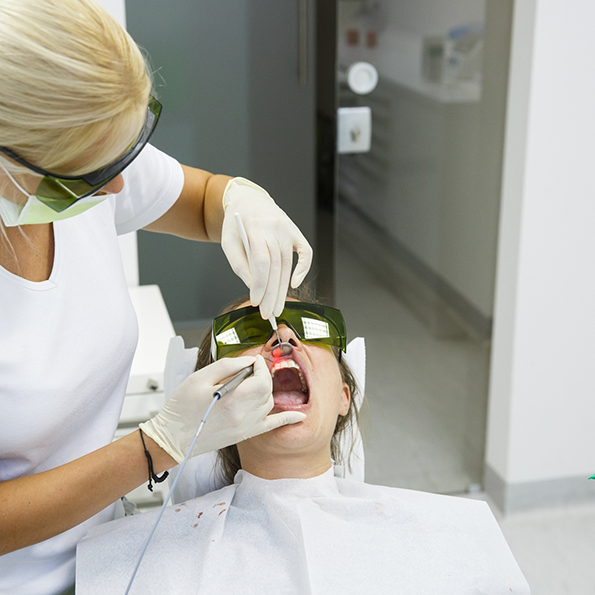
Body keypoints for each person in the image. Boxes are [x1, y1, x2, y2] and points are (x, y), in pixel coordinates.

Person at [0, 1, 312, 594]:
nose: (118, 186)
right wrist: (156, 446)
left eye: (125, 154)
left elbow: (199, 199)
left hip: (105, 556)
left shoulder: (86, 156)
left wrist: (241, 203)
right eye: (90, 174)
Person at [76, 297, 530, 595]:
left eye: (309, 329)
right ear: (214, 401)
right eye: (249, 332)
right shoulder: (138, 563)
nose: (284, 339)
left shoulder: (450, 540)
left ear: (343, 396)